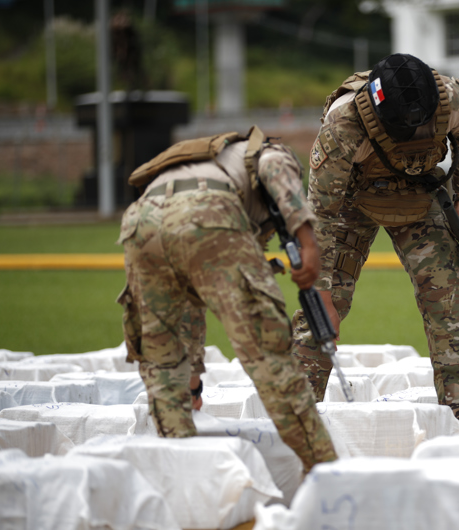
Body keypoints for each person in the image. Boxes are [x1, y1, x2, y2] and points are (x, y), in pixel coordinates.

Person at [116, 127, 338, 472]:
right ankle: (327, 472)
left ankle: (186, 478)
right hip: (209, 212)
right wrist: (307, 243)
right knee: (268, 357)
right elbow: (275, 170)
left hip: (140, 221)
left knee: (162, 359)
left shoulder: (206, 161)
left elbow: (189, 316)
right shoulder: (268, 151)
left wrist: (192, 385)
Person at [292, 53, 459, 432]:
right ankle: (296, 430)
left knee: (447, 311)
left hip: (418, 194)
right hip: (351, 199)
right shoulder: (344, 124)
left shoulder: (451, 100)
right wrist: (323, 297)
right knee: (317, 321)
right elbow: (319, 219)